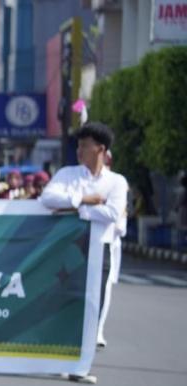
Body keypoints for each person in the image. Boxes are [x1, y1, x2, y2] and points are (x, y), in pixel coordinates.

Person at [39, 121, 127, 349]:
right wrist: (84, 200)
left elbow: (113, 213)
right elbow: (48, 199)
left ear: (100, 149)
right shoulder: (67, 174)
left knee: (97, 296)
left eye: (85, 145)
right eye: (78, 145)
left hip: (100, 246)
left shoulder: (116, 182)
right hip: (68, 247)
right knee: (64, 295)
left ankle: (91, 341)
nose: (79, 150)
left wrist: (75, 209)